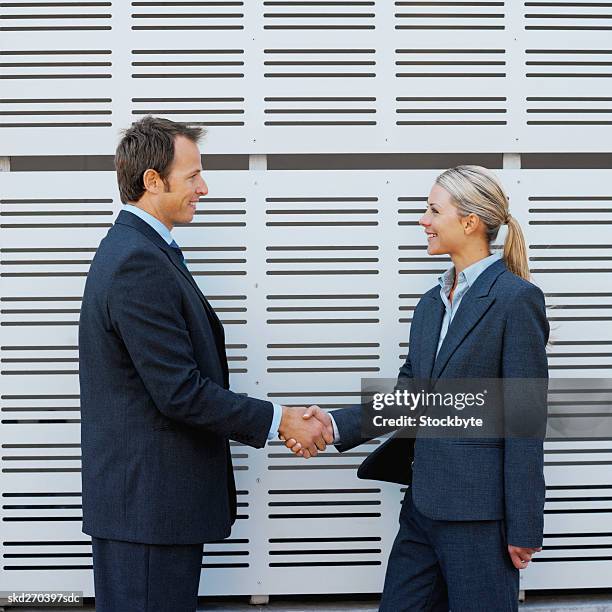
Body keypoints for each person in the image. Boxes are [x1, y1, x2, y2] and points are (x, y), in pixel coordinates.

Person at [78, 116, 333, 612]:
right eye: (193, 175)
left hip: (149, 513)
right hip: (148, 514)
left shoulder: (146, 251)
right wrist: (280, 419)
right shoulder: (137, 261)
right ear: (153, 180)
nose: (204, 187)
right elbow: (179, 391)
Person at [287, 165, 550, 611]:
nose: (422, 221)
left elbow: (525, 423)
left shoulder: (514, 299)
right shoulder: (432, 304)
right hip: (422, 509)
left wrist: (525, 527)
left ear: (469, 222)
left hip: (479, 518)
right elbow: (412, 396)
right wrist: (334, 423)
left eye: (432, 210)